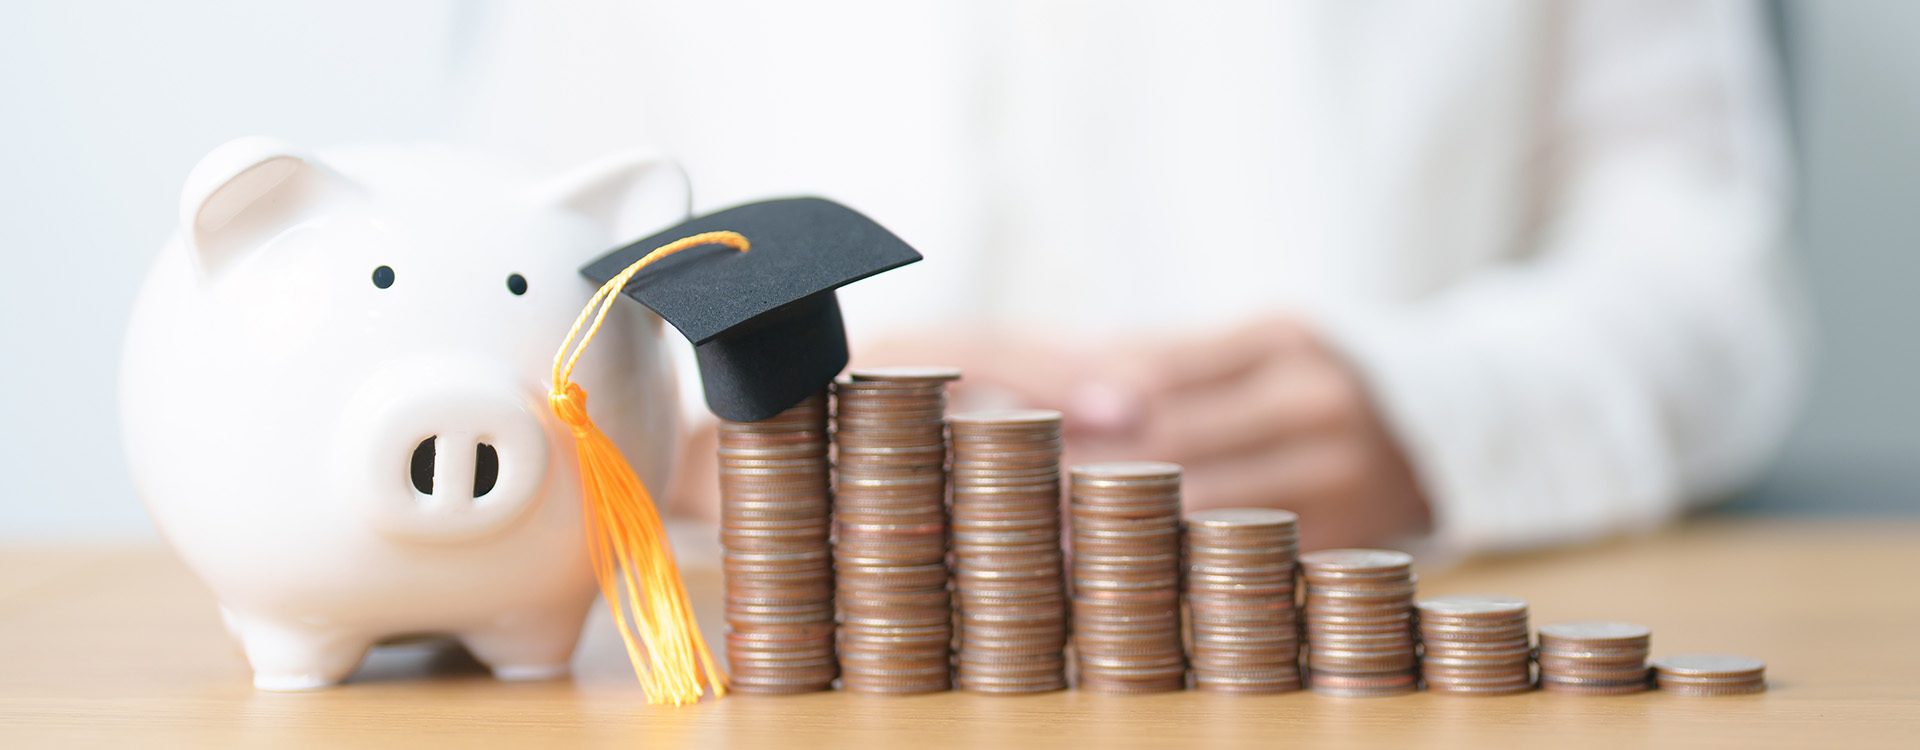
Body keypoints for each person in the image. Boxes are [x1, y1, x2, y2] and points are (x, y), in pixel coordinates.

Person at [458, 0, 1803, 553]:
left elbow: (1708, 275)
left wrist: (1439, 409)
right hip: (755, 649)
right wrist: (697, 433)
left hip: (1362, 636)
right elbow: (495, 277)